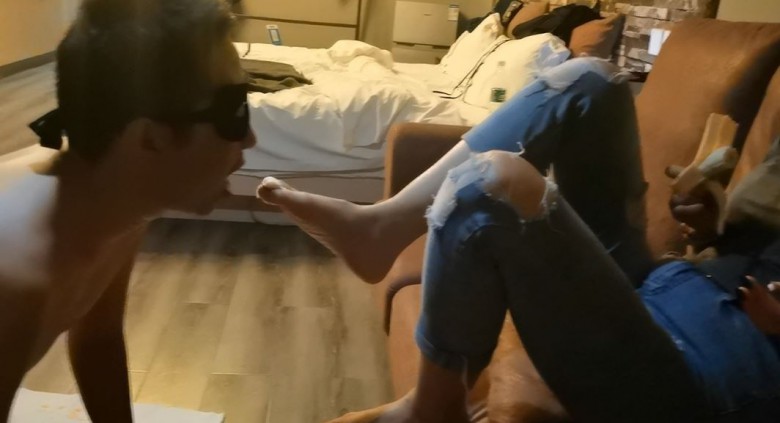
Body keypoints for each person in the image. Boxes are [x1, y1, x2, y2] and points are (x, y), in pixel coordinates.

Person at [258, 58, 780, 422]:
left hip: (712, 369)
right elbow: (748, 239)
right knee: (589, 84)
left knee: (490, 188)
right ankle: (381, 227)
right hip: (669, 285)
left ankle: (431, 411)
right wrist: (709, 221)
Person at [0, 0, 255, 421]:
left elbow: (97, 337)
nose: (249, 139)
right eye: (234, 112)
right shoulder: (16, 280)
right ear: (148, 137)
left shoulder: (115, 204)